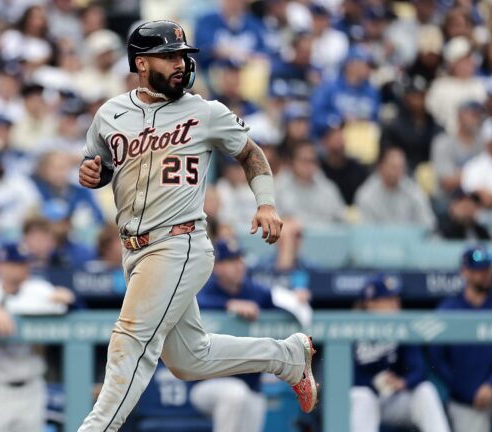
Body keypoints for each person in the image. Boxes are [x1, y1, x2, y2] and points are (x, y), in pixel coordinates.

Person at [77, 20, 318, 431]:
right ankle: (285, 356)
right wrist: (93, 173)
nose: (180, 64)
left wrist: (266, 204)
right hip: (133, 249)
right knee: (190, 359)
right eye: (169, 56)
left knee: (130, 342)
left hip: (179, 242)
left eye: (182, 56)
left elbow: (252, 153)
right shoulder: (110, 114)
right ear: (141, 62)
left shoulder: (206, 112)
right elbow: (102, 164)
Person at [0, 243, 76, 432]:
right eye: (16, 264)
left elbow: (75, 310)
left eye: (25, 263)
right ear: (0, 266)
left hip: (32, 389)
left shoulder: (39, 290)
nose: (23, 269)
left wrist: (71, 300)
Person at [190, 239, 281, 432]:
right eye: (232, 262)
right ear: (217, 267)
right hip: (206, 385)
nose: (239, 266)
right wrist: (228, 305)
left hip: (250, 387)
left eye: (240, 260)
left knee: (251, 399)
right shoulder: (207, 289)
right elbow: (192, 301)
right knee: (234, 393)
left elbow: (278, 298)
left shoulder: (252, 289)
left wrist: (295, 296)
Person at [430, 246, 492, 432]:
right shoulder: (448, 310)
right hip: (465, 398)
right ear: (465, 272)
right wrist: (467, 392)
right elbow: (437, 360)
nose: (485, 275)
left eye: (487, 269)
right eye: (479, 270)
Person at [351, 275, 450, 432]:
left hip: (391, 399)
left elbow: (419, 370)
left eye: (397, 299)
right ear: (370, 303)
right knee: (363, 397)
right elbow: (342, 377)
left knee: (425, 391)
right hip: (359, 400)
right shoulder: (350, 327)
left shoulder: (403, 326)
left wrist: (402, 382)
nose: (396, 305)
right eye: (389, 300)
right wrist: (373, 382)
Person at [354, 147, 435, 228]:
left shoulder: (413, 191)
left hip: (409, 239)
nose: (398, 172)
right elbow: (366, 230)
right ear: (381, 167)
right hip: (378, 239)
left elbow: (427, 223)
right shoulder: (365, 195)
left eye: (401, 167)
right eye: (393, 167)